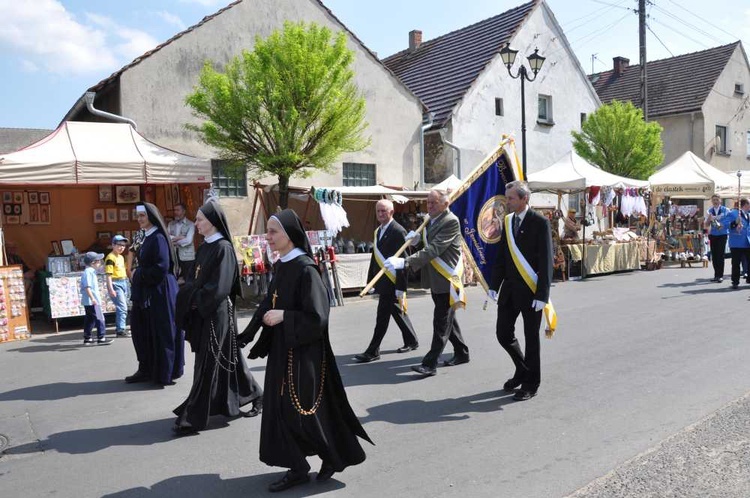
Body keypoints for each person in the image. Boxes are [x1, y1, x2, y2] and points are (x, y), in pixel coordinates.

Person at [237, 209, 372, 493]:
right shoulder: (284, 264)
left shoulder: (306, 269)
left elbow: (317, 317)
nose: (268, 237)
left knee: (303, 412)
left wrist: (285, 316)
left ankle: (329, 458)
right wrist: (246, 336)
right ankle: (298, 467)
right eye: (268, 231)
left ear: (290, 235)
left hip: (303, 354)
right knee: (284, 411)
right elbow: (267, 304)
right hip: (282, 350)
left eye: (274, 232)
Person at [172, 200, 263, 436]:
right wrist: (190, 294)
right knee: (227, 358)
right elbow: (193, 278)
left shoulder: (223, 248)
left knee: (209, 362)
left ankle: (193, 417)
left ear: (212, 222)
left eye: (200, 219)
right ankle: (255, 393)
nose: (197, 223)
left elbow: (219, 288)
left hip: (216, 313)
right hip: (204, 311)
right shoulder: (203, 247)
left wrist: (193, 298)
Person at [384, 189, 469, 377]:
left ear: (445, 204)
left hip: (447, 278)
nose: (429, 206)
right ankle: (462, 352)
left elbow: (435, 249)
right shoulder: (431, 219)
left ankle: (430, 364)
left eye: (433, 203)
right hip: (436, 278)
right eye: (428, 202)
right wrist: (415, 241)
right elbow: (426, 245)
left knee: (441, 320)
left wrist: (406, 262)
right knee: (447, 318)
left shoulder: (450, 221)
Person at [488, 181, 553, 401]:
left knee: (531, 339)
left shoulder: (540, 222)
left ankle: (531, 383)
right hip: (509, 290)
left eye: (511, 198)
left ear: (525, 199)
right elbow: (502, 257)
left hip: (531, 291)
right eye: (507, 198)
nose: (507, 202)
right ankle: (522, 369)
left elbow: (546, 261)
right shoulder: (508, 222)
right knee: (503, 334)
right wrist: (493, 286)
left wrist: (542, 295)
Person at [125, 202, 184, 387]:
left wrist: (138, 274)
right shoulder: (144, 236)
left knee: (162, 331)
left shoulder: (158, 237)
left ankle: (164, 372)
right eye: (137, 216)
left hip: (161, 290)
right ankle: (147, 368)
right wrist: (133, 270)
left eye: (142, 215)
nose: (139, 219)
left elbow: (161, 267)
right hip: (149, 290)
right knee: (144, 330)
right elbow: (134, 255)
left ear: (151, 216)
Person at [354, 199, 419, 363]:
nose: (380, 214)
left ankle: (373, 350)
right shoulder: (378, 231)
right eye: (378, 211)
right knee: (395, 311)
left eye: (384, 211)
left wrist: (400, 287)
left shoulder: (398, 231)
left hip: (392, 280)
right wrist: (370, 281)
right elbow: (374, 259)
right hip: (382, 280)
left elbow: (404, 261)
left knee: (382, 315)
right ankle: (411, 340)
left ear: (391, 212)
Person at [80, 251, 113, 346]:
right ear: (92, 262)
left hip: (89, 301)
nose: (100, 262)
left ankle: (88, 338)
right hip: (92, 301)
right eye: (98, 261)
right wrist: (93, 298)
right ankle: (101, 337)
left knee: (90, 319)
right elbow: (87, 287)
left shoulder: (90, 271)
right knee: (100, 318)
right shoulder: (89, 272)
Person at [105, 235, 131, 338]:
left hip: (123, 281)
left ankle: (120, 327)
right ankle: (120, 329)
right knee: (122, 307)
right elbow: (108, 275)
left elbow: (124, 270)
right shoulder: (110, 257)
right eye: (119, 245)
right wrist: (111, 288)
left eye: (123, 246)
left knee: (123, 306)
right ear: (113, 245)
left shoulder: (121, 257)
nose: (121, 247)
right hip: (116, 283)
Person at [722, 198, 750, 289]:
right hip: (737, 242)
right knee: (736, 263)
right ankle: (735, 281)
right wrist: (735, 223)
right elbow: (725, 225)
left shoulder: (748, 214)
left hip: (747, 242)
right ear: (745, 204)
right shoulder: (733, 213)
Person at [167, 203, 196, 282]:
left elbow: (188, 240)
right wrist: (180, 237)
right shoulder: (170, 224)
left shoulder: (191, 224)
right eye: (174, 210)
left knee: (188, 280)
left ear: (184, 211)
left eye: (178, 210)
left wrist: (175, 241)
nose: (175, 212)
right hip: (174, 255)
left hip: (187, 257)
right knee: (174, 277)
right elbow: (168, 238)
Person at [704, 194, 729, 282]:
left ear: (720, 201)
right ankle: (716, 275)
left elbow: (728, 222)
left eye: (717, 200)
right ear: (712, 201)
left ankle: (720, 275)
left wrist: (721, 224)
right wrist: (709, 219)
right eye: (713, 200)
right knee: (714, 255)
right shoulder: (709, 211)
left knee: (720, 255)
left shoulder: (725, 210)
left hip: (722, 235)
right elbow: (706, 225)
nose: (715, 201)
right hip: (713, 235)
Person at [6, 241, 35, 306]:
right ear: (6, 248)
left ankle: (26, 309)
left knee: (30, 283)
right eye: (10, 248)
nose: (13, 249)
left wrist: (30, 272)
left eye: (14, 248)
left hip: (19, 279)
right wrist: (23, 275)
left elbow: (26, 268)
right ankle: (21, 306)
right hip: (9, 280)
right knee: (27, 283)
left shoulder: (17, 257)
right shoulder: (4, 258)